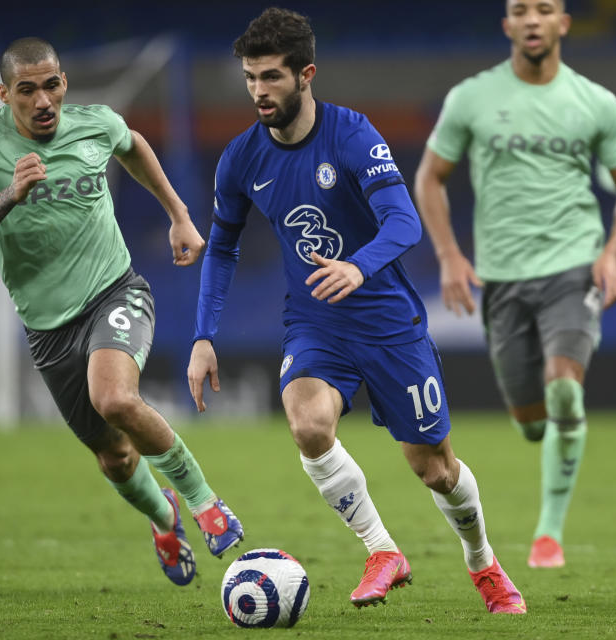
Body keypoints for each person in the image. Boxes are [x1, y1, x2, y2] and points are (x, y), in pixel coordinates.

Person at [187, 7, 525, 615]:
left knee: (435, 468)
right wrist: (203, 335)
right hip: (315, 322)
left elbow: (404, 221)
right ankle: (381, 549)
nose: (259, 91)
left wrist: (358, 265)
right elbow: (223, 246)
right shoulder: (240, 159)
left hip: (389, 321)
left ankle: (484, 564)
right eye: (250, 78)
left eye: (271, 77)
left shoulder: (351, 135)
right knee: (308, 424)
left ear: (306, 74)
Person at [0, 37, 243, 587]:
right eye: (26, 90)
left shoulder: (96, 122)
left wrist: (178, 213)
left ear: (64, 84)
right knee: (116, 460)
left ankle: (204, 502)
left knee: (115, 397)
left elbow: (133, 145)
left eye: (51, 85)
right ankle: (165, 517)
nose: (42, 100)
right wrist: (10, 195)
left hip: (115, 290)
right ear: (5, 94)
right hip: (49, 329)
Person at [414, 0, 616, 569]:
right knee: (531, 422)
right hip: (503, 279)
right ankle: (542, 426)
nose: (534, 19)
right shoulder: (472, 97)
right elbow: (430, 177)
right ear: (508, 25)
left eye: (545, 9)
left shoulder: (594, 102)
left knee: (565, 386)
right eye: (522, 9)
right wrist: (447, 254)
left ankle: (549, 532)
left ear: (563, 23)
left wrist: (613, 253)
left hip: (573, 268)